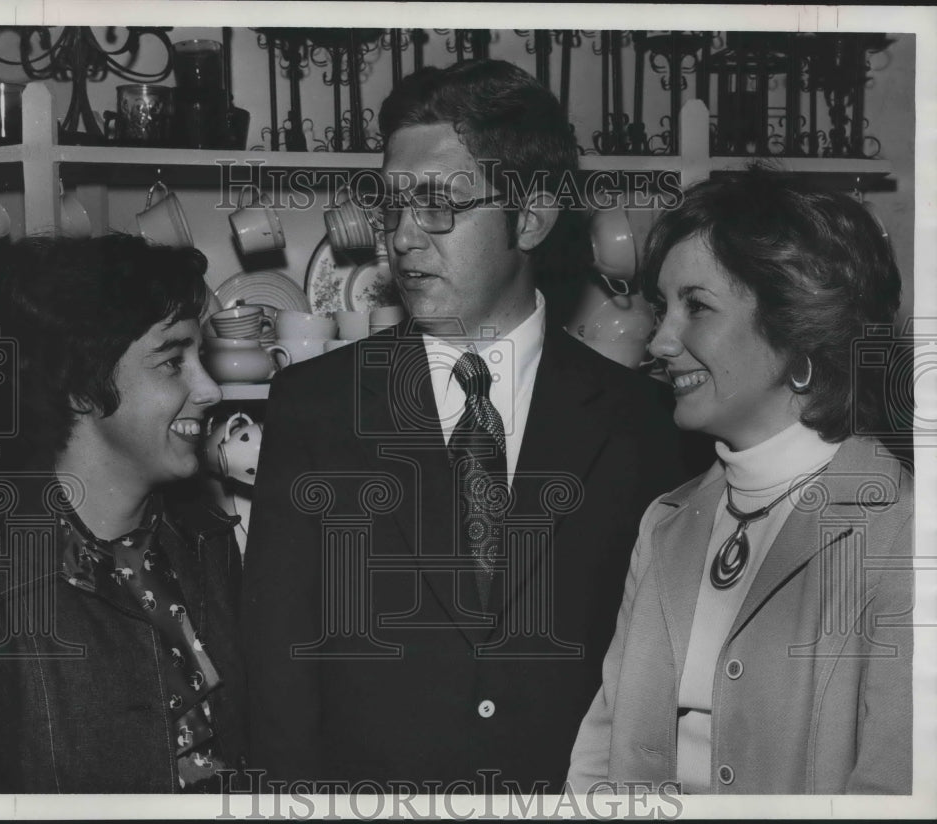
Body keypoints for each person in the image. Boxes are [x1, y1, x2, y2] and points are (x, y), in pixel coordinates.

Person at [243, 58, 695, 793]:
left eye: (438, 205)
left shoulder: (644, 422)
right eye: (392, 205)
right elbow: (277, 679)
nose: (405, 238)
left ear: (533, 215)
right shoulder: (314, 406)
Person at [567, 169, 913, 794]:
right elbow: (602, 749)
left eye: (697, 307)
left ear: (798, 328)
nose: (661, 339)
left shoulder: (903, 533)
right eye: (662, 307)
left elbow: (895, 791)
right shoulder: (665, 523)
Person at [0, 234, 247, 793]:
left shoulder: (207, 542)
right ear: (78, 387)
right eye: (171, 362)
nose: (210, 389)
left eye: (201, 358)